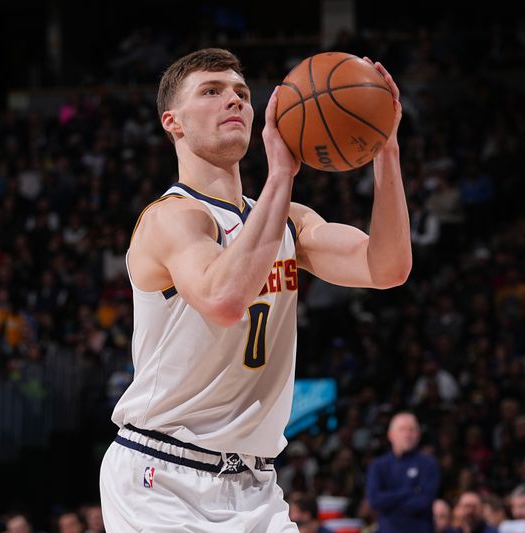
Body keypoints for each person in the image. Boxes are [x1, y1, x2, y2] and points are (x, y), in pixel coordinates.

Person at [99, 48, 410, 532]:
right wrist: (282, 175)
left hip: (254, 486)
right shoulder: (172, 219)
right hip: (162, 479)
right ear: (172, 122)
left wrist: (385, 150)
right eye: (212, 91)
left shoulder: (289, 220)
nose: (235, 101)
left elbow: (387, 267)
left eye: (242, 93)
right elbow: (224, 300)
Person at [366, 412, 440, 533]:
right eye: (402, 429)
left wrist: (389, 502)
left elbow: (424, 502)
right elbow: (374, 500)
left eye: (412, 430)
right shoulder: (378, 465)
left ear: (419, 435)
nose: (407, 434)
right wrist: (410, 491)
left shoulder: (429, 464)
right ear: (390, 435)